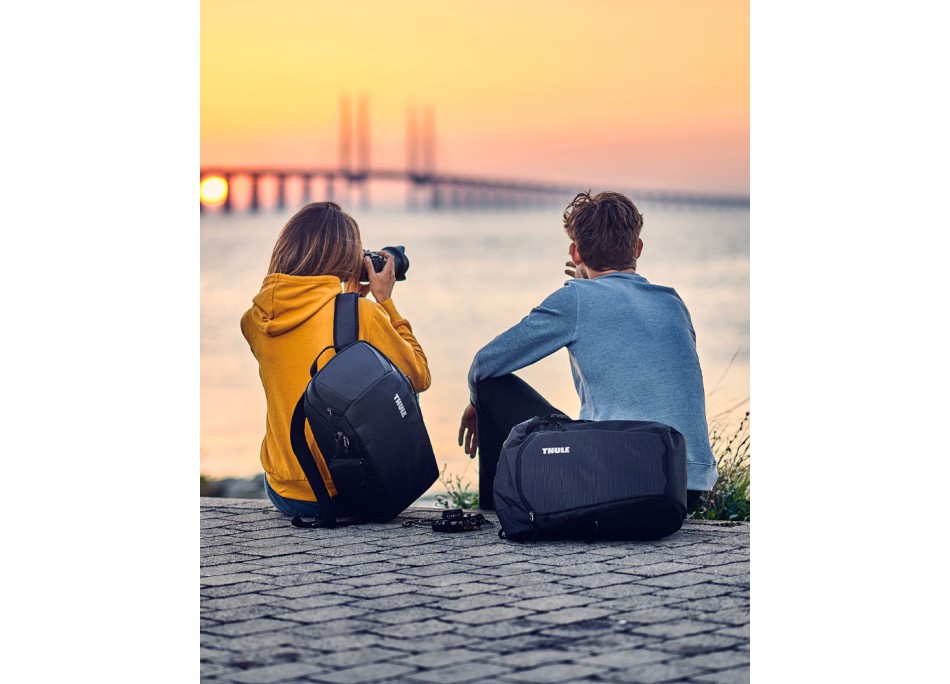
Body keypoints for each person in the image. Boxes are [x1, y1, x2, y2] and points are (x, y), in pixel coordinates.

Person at [458, 190, 717, 512]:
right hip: (685, 487)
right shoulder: (672, 302)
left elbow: (484, 363)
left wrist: (476, 403)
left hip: (620, 481)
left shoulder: (576, 298)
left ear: (575, 252)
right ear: (637, 248)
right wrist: (588, 285)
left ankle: (493, 513)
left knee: (490, 386)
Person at [241, 202, 431, 520]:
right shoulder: (363, 314)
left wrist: (350, 300)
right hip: (343, 494)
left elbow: (308, 336)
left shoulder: (254, 320)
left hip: (284, 493)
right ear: (346, 258)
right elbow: (419, 376)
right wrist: (384, 302)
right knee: (397, 386)